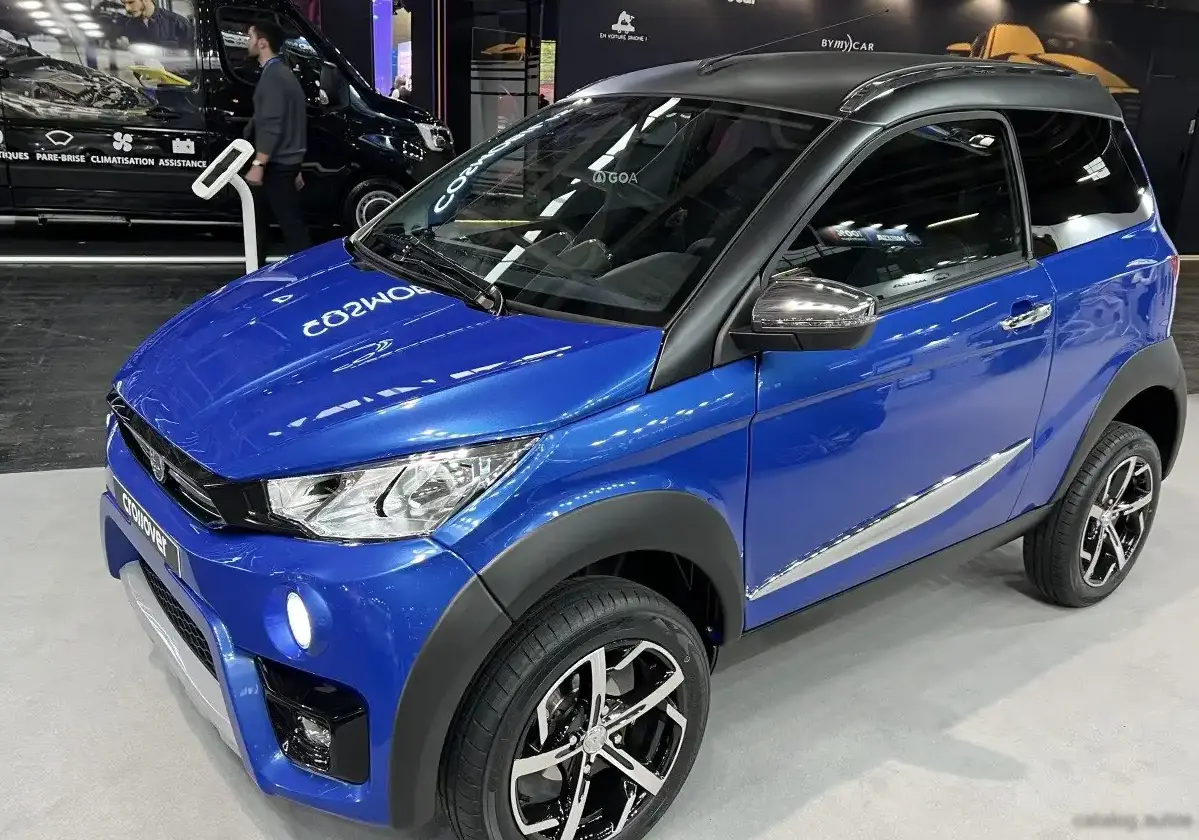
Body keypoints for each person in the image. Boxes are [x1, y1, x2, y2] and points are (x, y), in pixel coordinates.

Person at [242, 18, 312, 258]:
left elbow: (272, 124)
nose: (247, 42)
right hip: (286, 163)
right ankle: (260, 265)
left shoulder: (273, 76)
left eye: (250, 37)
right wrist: (297, 166)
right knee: (274, 219)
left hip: (276, 164)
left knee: (288, 224)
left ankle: (306, 269)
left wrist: (258, 164)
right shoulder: (282, 74)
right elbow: (295, 121)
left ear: (262, 43)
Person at [117, 0, 194, 48]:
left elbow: (193, 58)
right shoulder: (129, 26)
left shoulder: (177, 22)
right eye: (124, 4)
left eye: (131, 2)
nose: (127, 8)